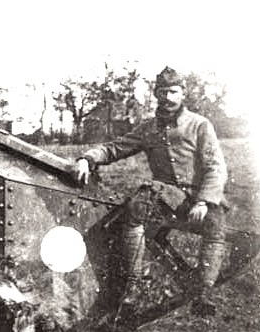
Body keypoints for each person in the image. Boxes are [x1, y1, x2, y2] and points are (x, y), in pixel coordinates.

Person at [73, 66, 228, 317]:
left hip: (199, 197)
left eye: (173, 92)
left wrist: (203, 202)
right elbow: (114, 149)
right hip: (166, 197)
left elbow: (215, 167)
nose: (167, 97)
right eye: (162, 92)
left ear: (183, 94)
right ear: (156, 94)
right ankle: (131, 289)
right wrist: (87, 159)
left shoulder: (200, 125)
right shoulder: (148, 128)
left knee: (216, 224)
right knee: (136, 208)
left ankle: (203, 292)